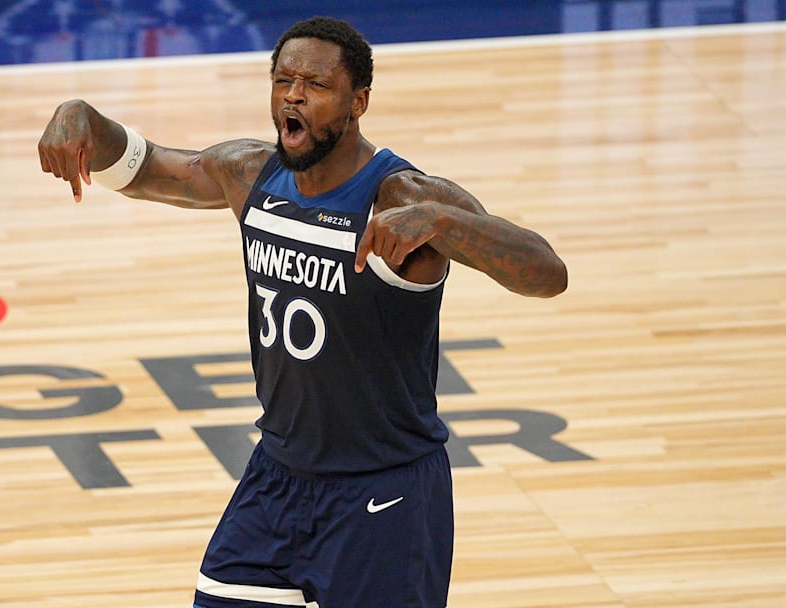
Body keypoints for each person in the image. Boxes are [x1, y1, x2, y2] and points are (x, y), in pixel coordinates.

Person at [38, 15, 567, 608]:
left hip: (383, 493)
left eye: (315, 85)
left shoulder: (404, 196)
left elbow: (547, 274)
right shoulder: (249, 172)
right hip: (276, 480)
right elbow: (143, 169)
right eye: (282, 80)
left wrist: (447, 224)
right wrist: (81, 114)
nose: (293, 95)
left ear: (358, 101)